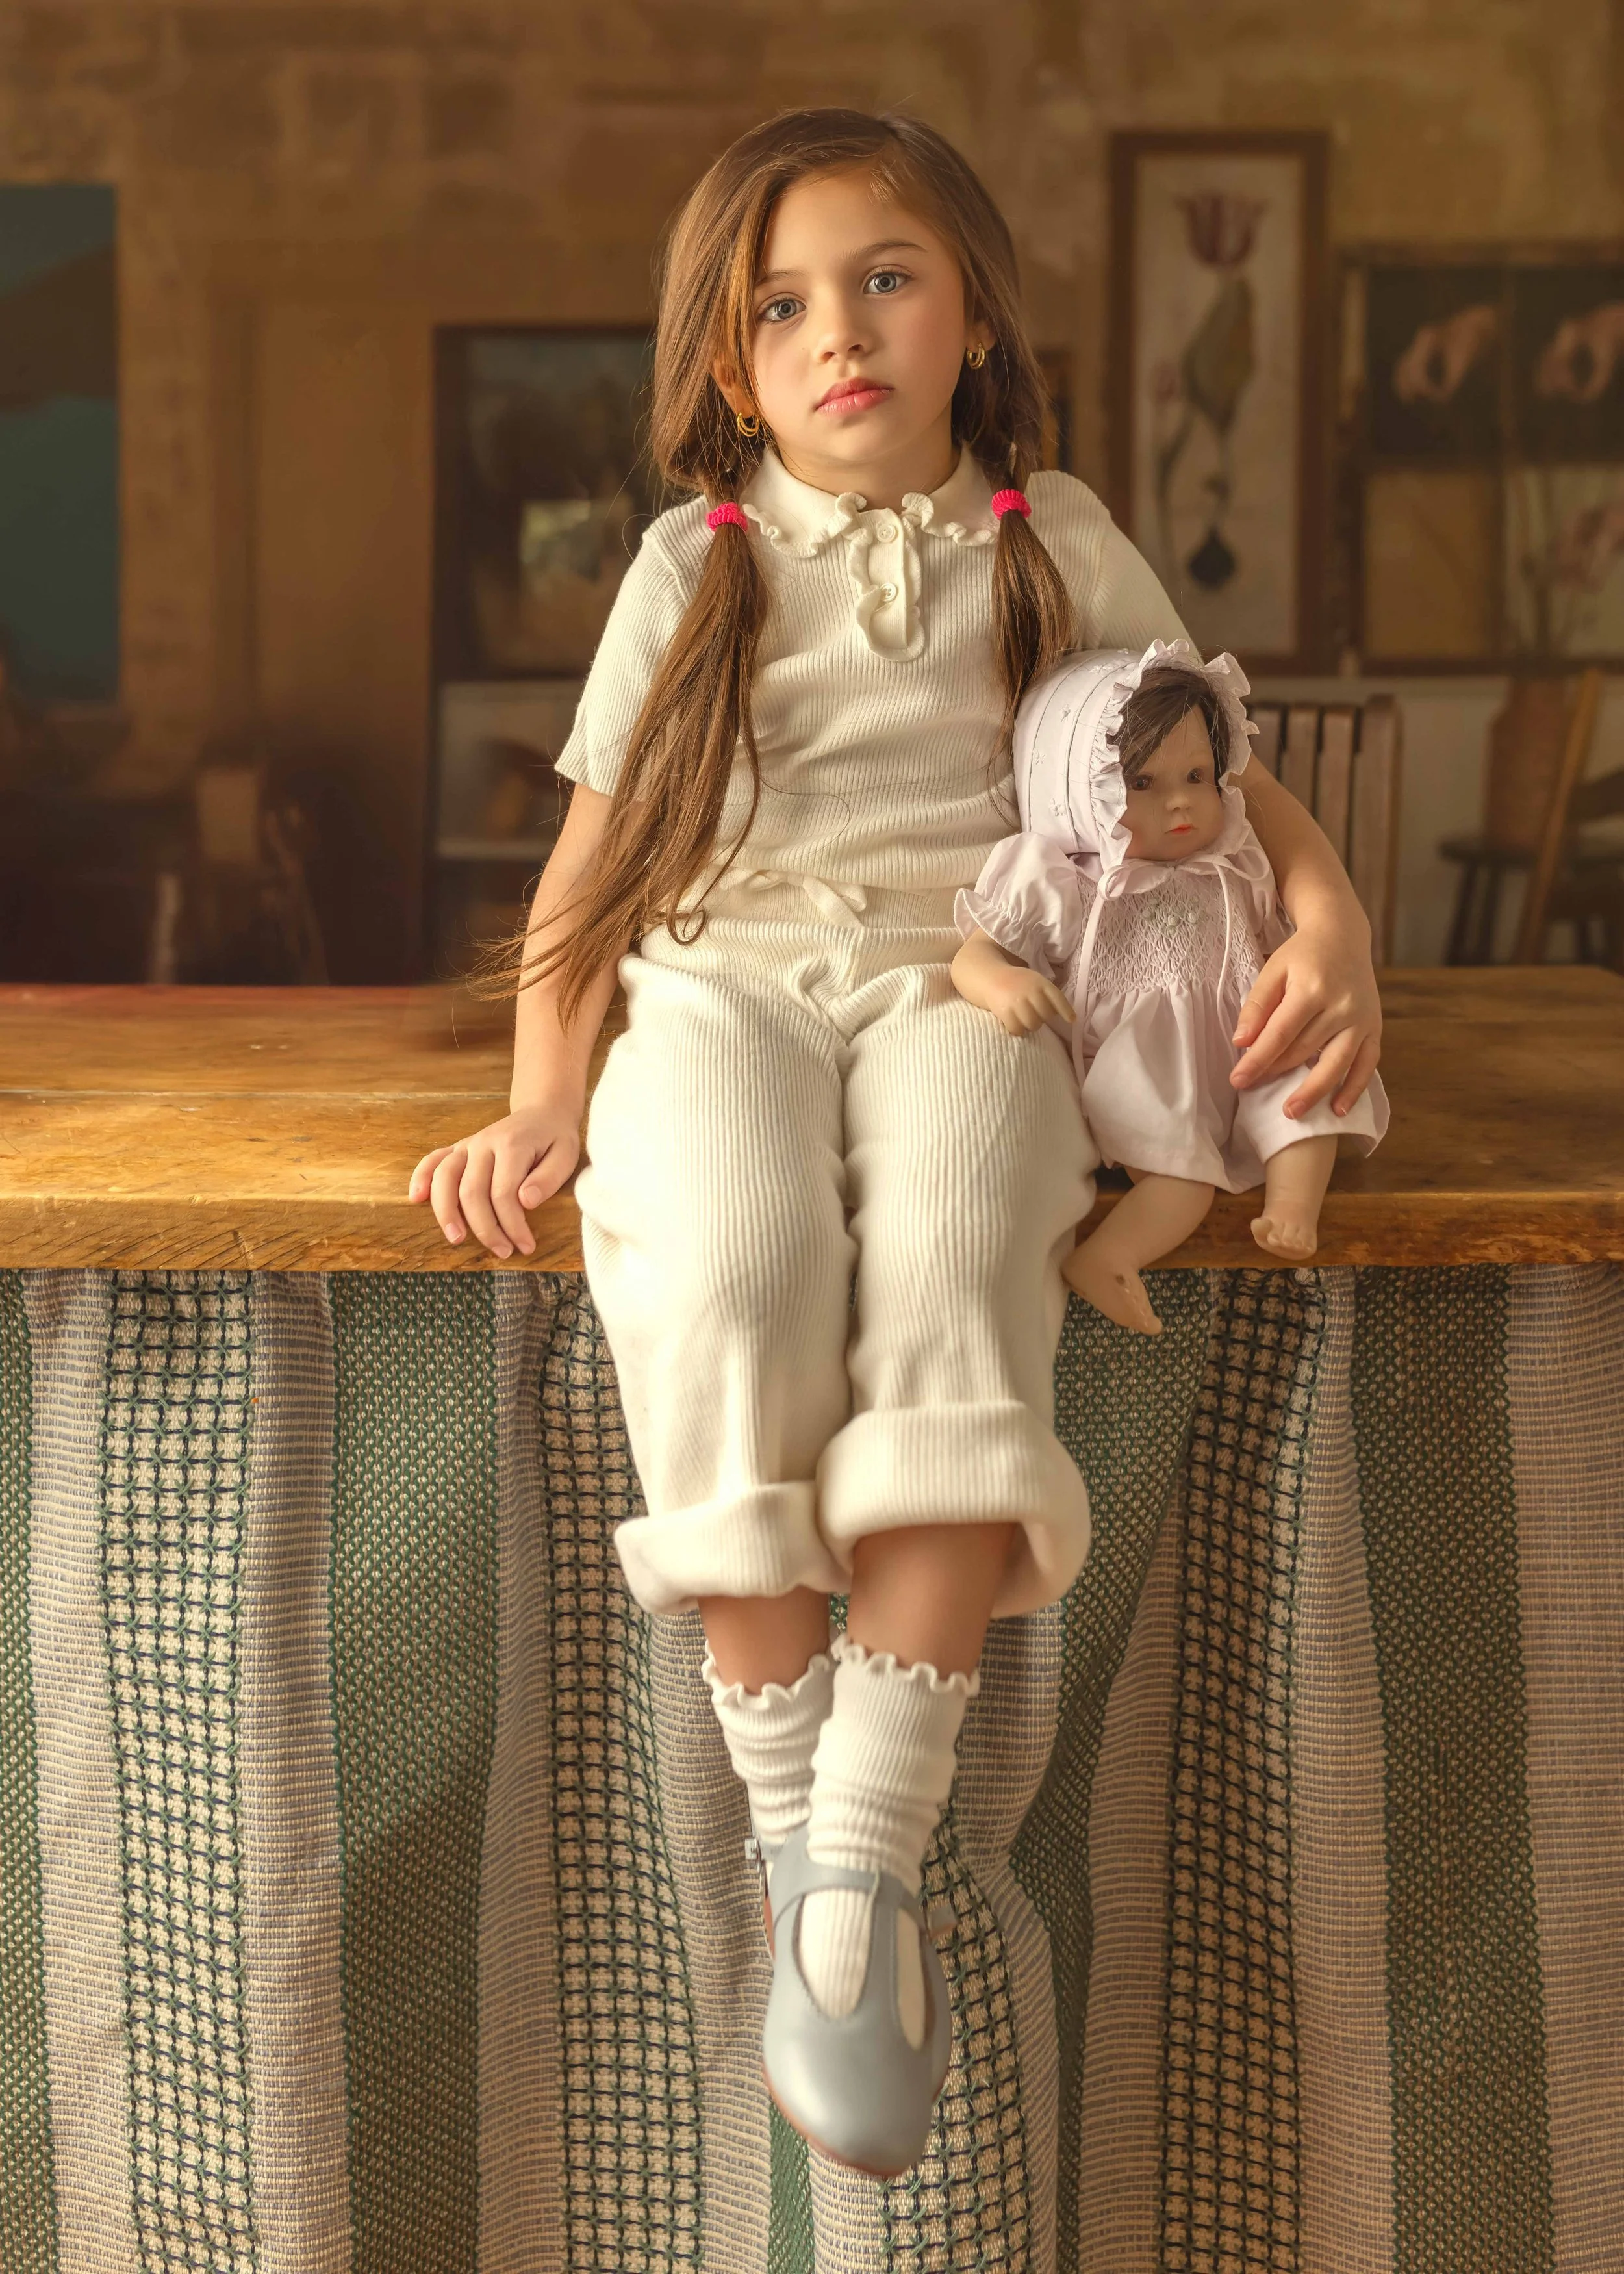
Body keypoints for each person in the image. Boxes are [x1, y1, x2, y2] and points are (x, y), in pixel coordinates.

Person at [408, 107, 1383, 2177]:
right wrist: (539, 1093)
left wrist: (1327, 916)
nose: (836, 327)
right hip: (719, 974)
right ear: (727, 364)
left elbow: (1226, 764)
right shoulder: (699, 561)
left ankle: (871, 1839)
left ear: (965, 313)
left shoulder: (1052, 537)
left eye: (882, 276)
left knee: (958, 1224)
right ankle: (804, 1854)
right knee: (733, 1250)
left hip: (974, 972)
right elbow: (588, 872)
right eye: (779, 303)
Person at [953, 643, 1388, 1336]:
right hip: (1151, 1064)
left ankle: (1291, 1210)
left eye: (1195, 774)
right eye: (1144, 784)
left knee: (1306, 1092)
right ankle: (1109, 1258)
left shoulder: (1238, 852)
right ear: (1080, 793)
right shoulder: (1065, 878)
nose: (1183, 800)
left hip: (1252, 1032)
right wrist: (1003, 984)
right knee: (1179, 1174)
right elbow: (974, 955)